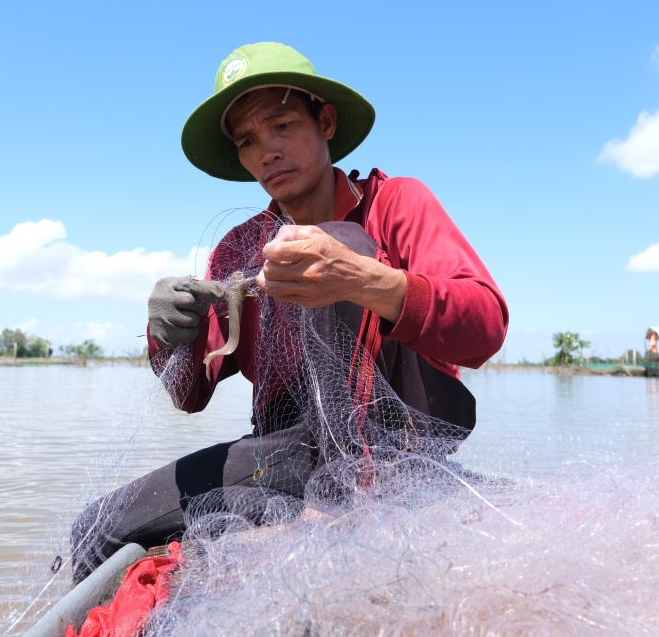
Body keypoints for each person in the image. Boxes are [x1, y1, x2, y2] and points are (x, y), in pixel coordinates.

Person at [71, 42, 508, 582]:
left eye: (281, 126)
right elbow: (190, 394)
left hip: (400, 445)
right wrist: (167, 333)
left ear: (325, 121)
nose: (267, 152)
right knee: (97, 529)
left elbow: (486, 326)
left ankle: (341, 507)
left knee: (334, 241)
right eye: (249, 140)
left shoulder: (397, 203)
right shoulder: (237, 250)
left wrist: (360, 277)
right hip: (286, 453)